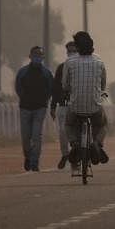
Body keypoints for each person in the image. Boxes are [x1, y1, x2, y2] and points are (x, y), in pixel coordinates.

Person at [59, 31, 109, 169]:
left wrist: (69, 90)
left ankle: (75, 144)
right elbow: (103, 84)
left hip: (75, 107)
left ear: (77, 47)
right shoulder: (99, 61)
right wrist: (100, 93)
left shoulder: (69, 62)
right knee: (103, 124)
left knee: (68, 125)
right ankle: (97, 144)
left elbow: (64, 85)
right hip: (94, 106)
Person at [15, 46, 54, 171]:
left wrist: (44, 101)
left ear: (43, 57)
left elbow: (50, 89)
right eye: (35, 54)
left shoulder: (47, 73)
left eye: (40, 55)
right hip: (25, 107)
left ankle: (34, 161)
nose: (37, 57)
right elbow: (18, 88)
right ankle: (27, 156)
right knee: (26, 136)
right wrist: (24, 98)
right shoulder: (22, 72)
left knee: (36, 135)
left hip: (40, 108)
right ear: (30, 56)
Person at [50, 41, 80, 174]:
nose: (71, 54)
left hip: (79, 105)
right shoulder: (61, 68)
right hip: (63, 105)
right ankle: (65, 154)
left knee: (78, 134)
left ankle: (77, 161)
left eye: (74, 51)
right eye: (70, 52)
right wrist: (52, 105)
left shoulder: (82, 68)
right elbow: (55, 88)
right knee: (63, 132)